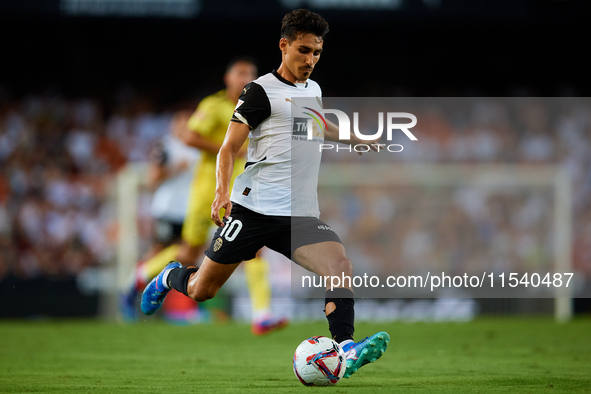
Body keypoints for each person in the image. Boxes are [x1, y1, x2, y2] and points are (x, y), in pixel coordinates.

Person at [141, 9, 389, 378]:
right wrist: (221, 193)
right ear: (283, 46)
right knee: (201, 290)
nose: (310, 60)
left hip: (299, 215)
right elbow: (226, 149)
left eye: (317, 53)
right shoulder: (259, 92)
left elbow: (315, 127)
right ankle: (169, 276)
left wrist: (356, 138)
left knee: (340, 267)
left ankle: (348, 349)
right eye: (303, 51)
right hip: (252, 211)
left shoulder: (313, 90)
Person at [125, 59, 288, 333]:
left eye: (250, 74)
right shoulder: (213, 106)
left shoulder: (257, 106)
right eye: (240, 73)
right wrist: (228, 148)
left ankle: (261, 314)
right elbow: (189, 137)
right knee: (188, 253)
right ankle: (141, 275)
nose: (246, 77)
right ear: (227, 78)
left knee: (255, 249)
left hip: (241, 192)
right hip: (207, 192)